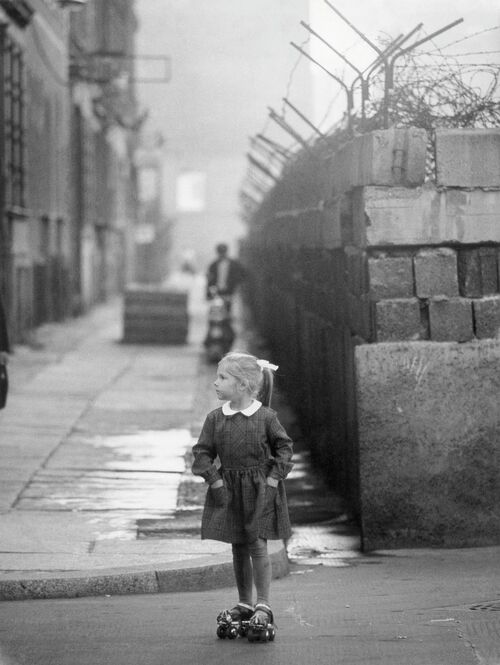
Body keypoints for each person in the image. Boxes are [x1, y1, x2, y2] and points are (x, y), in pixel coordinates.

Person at [191, 351, 294, 639]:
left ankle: (264, 603)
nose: (215, 382)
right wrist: (214, 481)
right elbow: (202, 453)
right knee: (238, 545)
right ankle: (244, 602)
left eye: (222, 378)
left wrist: (274, 479)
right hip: (228, 489)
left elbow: (284, 448)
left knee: (257, 544)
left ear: (243, 385)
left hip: (261, 489)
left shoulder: (265, 417)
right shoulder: (215, 419)